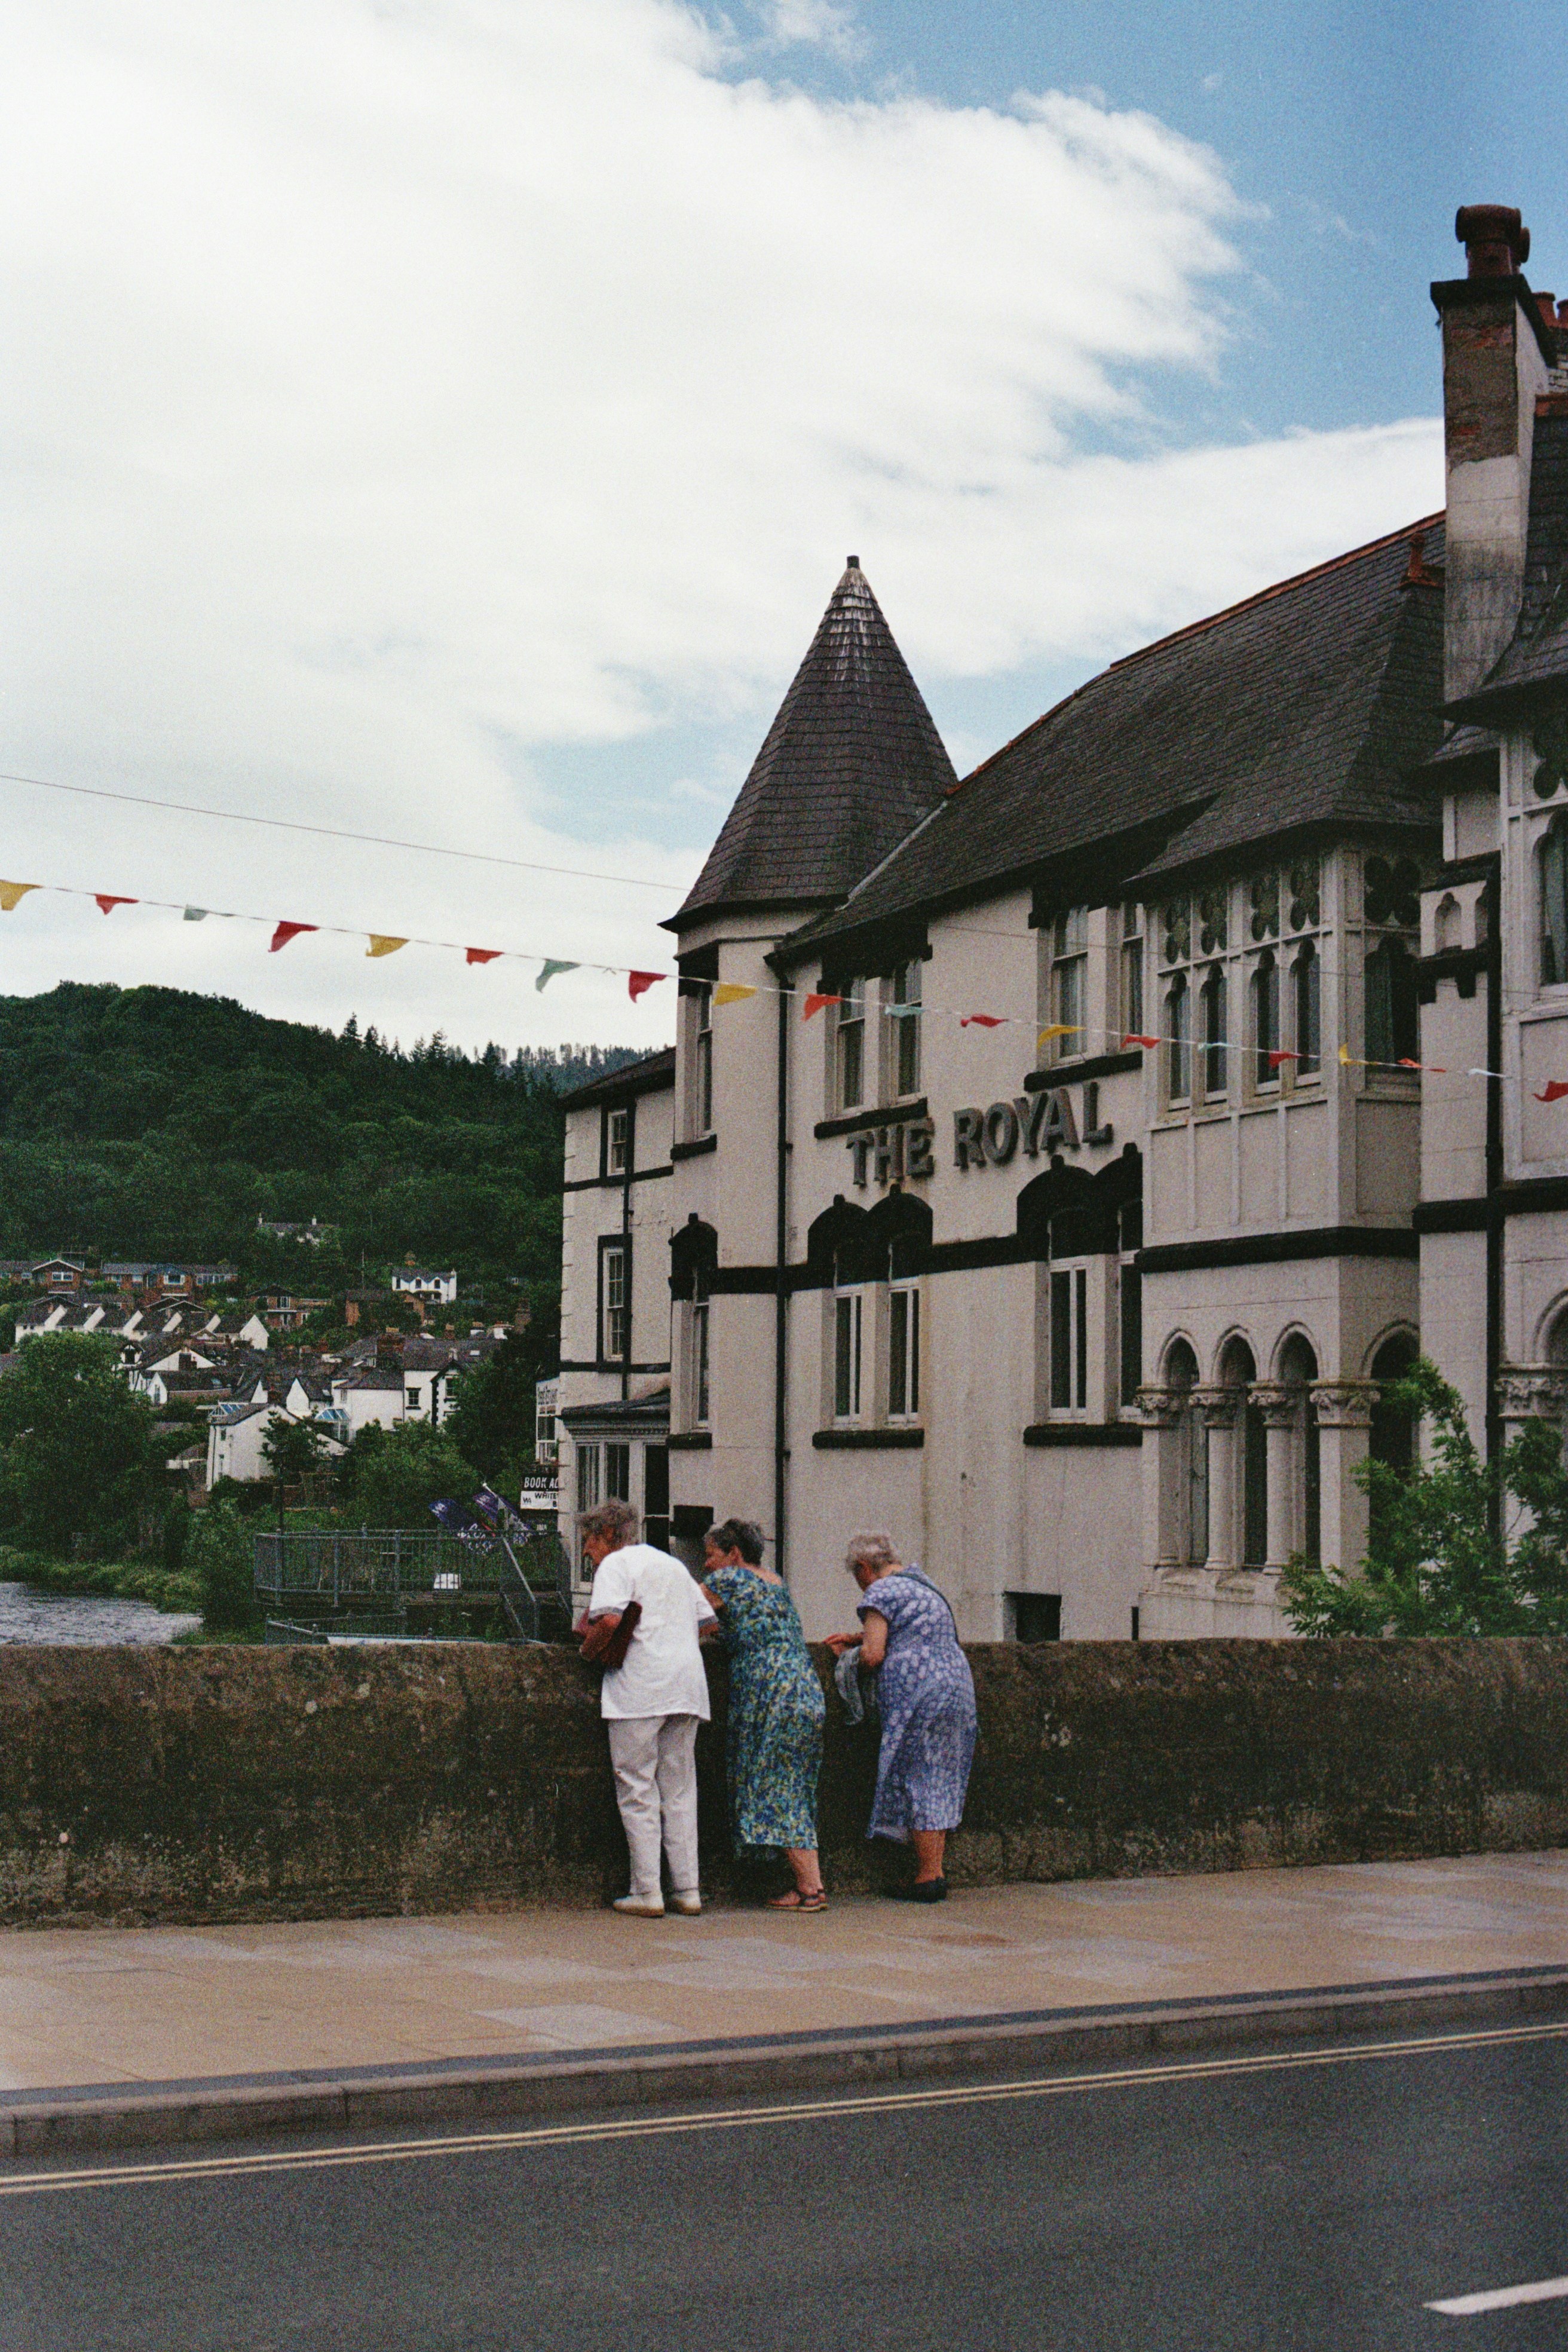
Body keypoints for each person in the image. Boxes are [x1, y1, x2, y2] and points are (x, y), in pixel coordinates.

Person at [579, 1497, 716, 1919]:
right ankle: (688, 1889)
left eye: (588, 1541)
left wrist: (587, 1654)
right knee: (679, 1790)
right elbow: (709, 1624)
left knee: (637, 1788)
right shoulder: (672, 1564)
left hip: (641, 1688)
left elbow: (608, 1621)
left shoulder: (616, 1566)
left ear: (606, 1535)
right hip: (688, 1685)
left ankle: (647, 1891)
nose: (586, 1551)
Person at [825, 1532, 976, 1903]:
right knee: (942, 1774)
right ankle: (935, 1872)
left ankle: (926, 1877)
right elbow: (912, 1632)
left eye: (857, 1576)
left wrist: (846, 1658)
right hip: (956, 1684)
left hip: (919, 1692)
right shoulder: (926, 1587)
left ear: (864, 1568)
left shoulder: (880, 1593)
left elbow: (875, 1656)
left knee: (919, 1775)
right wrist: (860, 1637)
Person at [700, 1519, 827, 1912]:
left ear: (734, 1554)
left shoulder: (730, 1580)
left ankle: (811, 1887)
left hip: (770, 1691)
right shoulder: (775, 1581)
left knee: (777, 1787)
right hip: (804, 1685)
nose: (707, 1565)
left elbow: (678, 1610)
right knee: (794, 1784)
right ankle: (804, 1884)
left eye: (711, 1555)